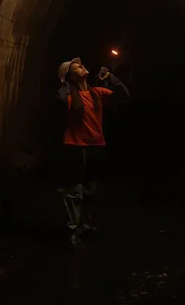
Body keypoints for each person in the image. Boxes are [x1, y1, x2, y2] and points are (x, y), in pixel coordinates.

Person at [56, 57, 130, 248]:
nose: (82, 66)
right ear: (71, 76)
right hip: (76, 146)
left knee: (90, 189)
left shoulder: (97, 93)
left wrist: (110, 77)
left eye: (80, 64)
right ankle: (71, 230)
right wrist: (65, 83)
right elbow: (60, 100)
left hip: (96, 146)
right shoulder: (70, 96)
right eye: (76, 67)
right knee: (75, 191)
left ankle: (83, 224)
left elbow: (124, 95)